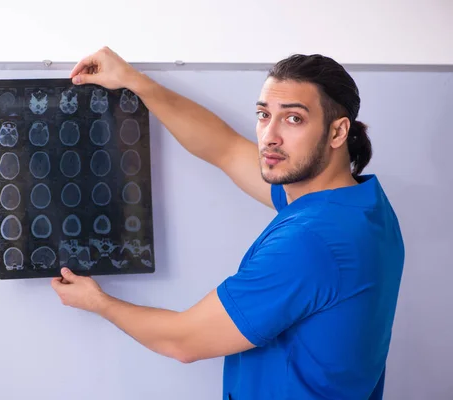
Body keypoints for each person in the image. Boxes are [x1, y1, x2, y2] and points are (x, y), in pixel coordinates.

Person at [50, 47, 405, 400]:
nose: (270, 136)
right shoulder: (363, 205)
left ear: (338, 132)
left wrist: (99, 302)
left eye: (294, 118)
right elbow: (224, 148)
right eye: (264, 115)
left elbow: (183, 341)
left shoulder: (311, 241)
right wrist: (134, 81)